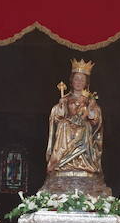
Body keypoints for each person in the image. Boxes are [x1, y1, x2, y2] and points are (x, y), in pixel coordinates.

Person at [42, 58, 109, 196]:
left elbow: (96, 120)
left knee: (83, 128)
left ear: (86, 83)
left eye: (82, 80)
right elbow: (56, 118)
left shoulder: (90, 100)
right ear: (71, 81)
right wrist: (60, 106)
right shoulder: (65, 98)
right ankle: (61, 164)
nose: (79, 82)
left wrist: (91, 110)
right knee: (64, 125)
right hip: (66, 130)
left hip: (84, 131)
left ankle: (83, 164)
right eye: (76, 79)